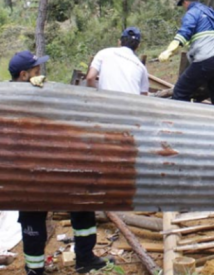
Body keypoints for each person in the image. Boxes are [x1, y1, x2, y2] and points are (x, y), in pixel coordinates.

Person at [8, 51, 111, 275]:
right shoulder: (8, 97)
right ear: (24, 75)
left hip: (54, 162)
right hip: (27, 171)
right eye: (36, 71)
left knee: (82, 205)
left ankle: (85, 257)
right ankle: (35, 269)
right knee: (33, 217)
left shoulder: (42, 92)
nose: (40, 74)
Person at [158, 0, 214, 106]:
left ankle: (183, 121)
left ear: (185, 2)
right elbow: (202, 35)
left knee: (180, 91)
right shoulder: (210, 11)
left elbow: (184, 33)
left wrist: (168, 51)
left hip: (207, 59)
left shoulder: (191, 13)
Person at [85, 27, 149, 95]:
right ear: (138, 46)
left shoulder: (104, 53)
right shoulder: (141, 67)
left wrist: (96, 95)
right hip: (130, 105)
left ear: (119, 42)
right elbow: (144, 95)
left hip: (105, 102)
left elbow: (90, 78)